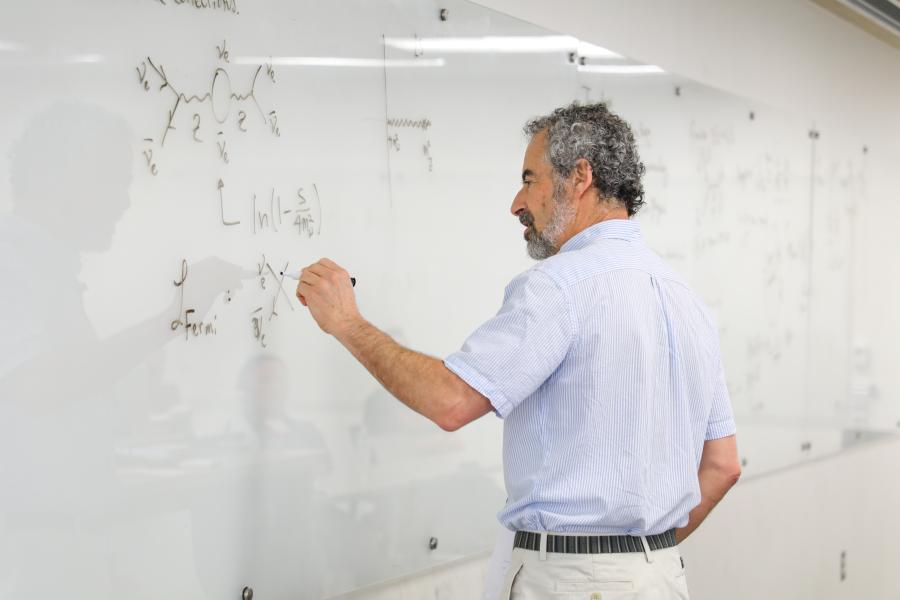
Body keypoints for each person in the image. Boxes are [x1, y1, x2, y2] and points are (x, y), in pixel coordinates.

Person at [295, 102, 741, 599]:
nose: (516, 203)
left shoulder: (558, 287)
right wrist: (635, 558)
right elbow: (723, 466)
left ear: (579, 177)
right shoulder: (687, 300)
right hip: (662, 576)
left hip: (573, 583)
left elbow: (451, 401)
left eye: (529, 179)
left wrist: (347, 323)